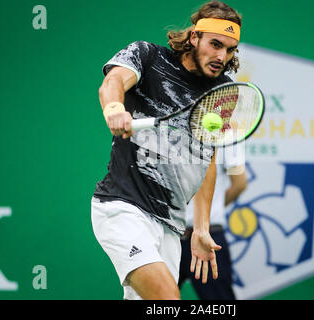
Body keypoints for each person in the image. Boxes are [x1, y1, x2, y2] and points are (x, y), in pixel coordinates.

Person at [91, 0, 243, 300]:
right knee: (167, 301)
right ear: (194, 37)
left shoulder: (223, 89)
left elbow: (205, 161)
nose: (221, 56)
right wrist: (113, 108)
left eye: (229, 49)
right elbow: (113, 81)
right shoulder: (148, 56)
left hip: (171, 227)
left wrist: (200, 227)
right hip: (124, 208)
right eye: (215, 44)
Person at [179, 143, 247, 300]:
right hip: (169, 235)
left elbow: (239, 184)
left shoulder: (228, 133)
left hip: (208, 238)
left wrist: (205, 214)